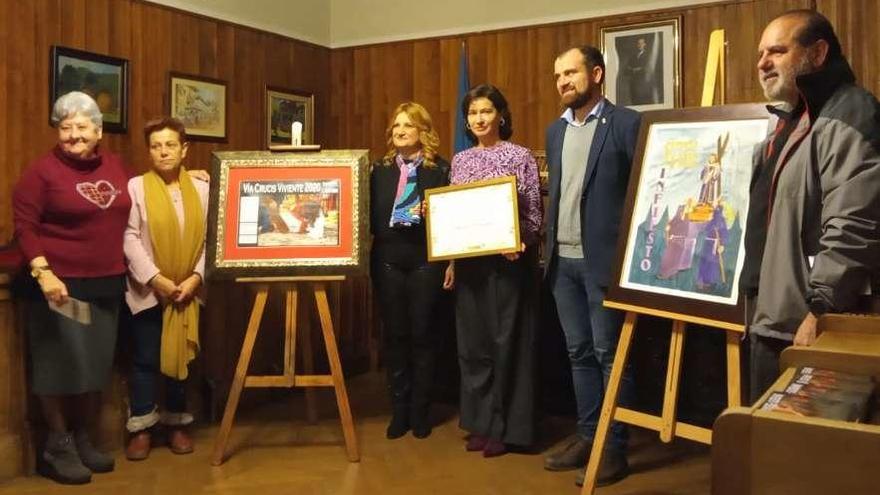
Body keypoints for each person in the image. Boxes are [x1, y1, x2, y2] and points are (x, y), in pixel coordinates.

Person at [742, 10, 880, 403]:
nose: (763, 63)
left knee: (803, 456)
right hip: (772, 321)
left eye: (777, 51)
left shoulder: (848, 113)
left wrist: (821, 309)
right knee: (769, 449)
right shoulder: (791, 121)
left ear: (817, 54)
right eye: (760, 53)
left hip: (809, 324)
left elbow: (853, 224)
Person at [13, 91, 131, 484]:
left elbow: (140, 198)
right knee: (58, 367)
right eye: (66, 128)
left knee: (93, 368)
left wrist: (190, 178)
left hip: (106, 282)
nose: (73, 135)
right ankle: (56, 445)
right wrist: (43, 272)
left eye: (82, 127)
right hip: (58, 286)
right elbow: (26, 226)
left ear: (98, 131)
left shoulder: (115, 165)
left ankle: (81, 438)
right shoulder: (41, 172)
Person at [542, 46, 641, 486]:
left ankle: (614, 447)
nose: (563, 81)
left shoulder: (626, 124)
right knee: (578, 354)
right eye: (558, 75)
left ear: (597, 74)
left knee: (608, 357)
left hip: (604, 265)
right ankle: (588, 435)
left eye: (571, 72)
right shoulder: (554, 131)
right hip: (562, 264)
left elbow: (641, 193)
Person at [448, 84, 542, 458]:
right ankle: (481, 422)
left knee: (508, 345)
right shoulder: (461, 160)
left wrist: (521, 240)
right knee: (474, 347)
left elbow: (534, 213)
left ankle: (507, 428)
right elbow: (454, 213)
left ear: (501, 115)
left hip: (508, 264)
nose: (479, 119)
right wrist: (451, 258)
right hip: (470, 264)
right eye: (473, 113)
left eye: (486, 111)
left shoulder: (521, 157)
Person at [123, 117, 208, 460]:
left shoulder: (203, 189)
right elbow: (128, 236)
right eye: (156, 146)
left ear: (184, 149)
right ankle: (141, 427)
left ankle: (177, 423)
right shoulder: (135, 188)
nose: (163, 151)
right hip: (149, 290)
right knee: (144, 359)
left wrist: (195, 278)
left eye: (170, 144)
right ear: (149, 152)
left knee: (179, 360)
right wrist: (155, 278)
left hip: (186, 291)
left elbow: (210, 240)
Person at [369, 102, 450, 439]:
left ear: (422, 131)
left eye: (408, 125)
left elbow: (454, 220)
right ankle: (399, 410)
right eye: (396, 125)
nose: (400, 131)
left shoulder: (441, 170)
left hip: (425, 261)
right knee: (396, 336)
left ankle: (420, 410)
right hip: (387, 260)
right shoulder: (379, 169)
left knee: (423, 335)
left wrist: (439, 212)